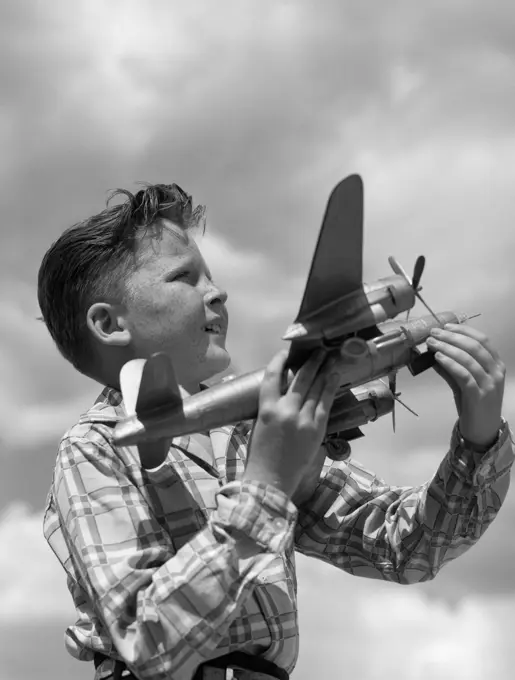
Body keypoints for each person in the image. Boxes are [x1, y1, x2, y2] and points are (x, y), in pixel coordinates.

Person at [39, 183, 513, 680]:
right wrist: (265, 485)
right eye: (184, 277)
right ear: (109, 324)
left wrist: (478, 439)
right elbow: (147, 640)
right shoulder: (95, 449)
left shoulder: (252, 433)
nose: (217, 292)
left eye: (212, 276)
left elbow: (406, 546)